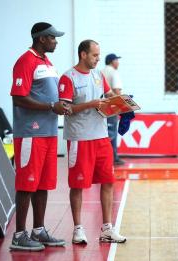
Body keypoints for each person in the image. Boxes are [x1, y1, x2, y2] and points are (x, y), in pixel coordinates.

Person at [58, 40, 126, 244]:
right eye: (95, 55)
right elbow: (65, 109)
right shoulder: (68, 77)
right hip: (80, 139)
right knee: (78, 185)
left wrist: (122, 104)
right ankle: (78, 229)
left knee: (108, 181)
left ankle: (107, 229)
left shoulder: (99, 75)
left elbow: (109, 96)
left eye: (99, 55)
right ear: (83, 54)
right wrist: (90, 104)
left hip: (101, 137)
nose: (98, 59)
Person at [9, 22, 68, 251]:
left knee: (43, 184)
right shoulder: (26, 60)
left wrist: (61, 105)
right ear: (42, 39)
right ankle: (19, 235)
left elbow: (49, 99)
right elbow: (18, 98)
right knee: (26, 184)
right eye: (53, 37)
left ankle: (39, 230)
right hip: (30, 133)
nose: (56, 41)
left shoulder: (47, 63)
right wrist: (52, 106)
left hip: (49, 133)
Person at [102, 53, 124, 165]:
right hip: (112, 106)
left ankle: (106, 157)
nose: (118, 62)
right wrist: (122, 107)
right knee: (112, 133)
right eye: (117, 60)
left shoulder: (101, 72)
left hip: (102, 107)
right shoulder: (113, 72)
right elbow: (117, 91)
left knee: (104, 133)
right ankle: (112, 157)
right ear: (112, 61)